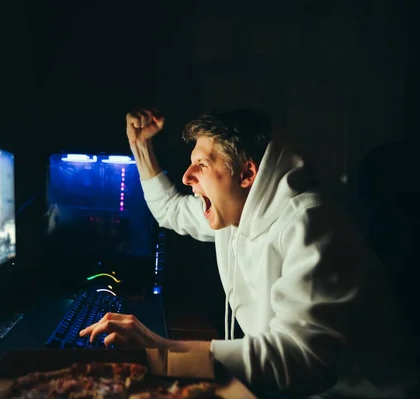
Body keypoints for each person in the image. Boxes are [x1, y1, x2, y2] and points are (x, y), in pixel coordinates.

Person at [80, 108, 417, 398]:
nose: (186, 177)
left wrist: (163, 351)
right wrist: (141, 146)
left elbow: (301, 359)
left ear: (247, 174)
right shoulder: (237, 213)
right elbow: (169, 210)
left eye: (201, 164)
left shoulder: (313, 222)